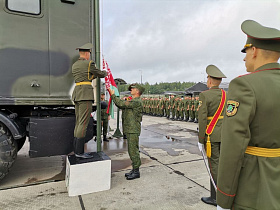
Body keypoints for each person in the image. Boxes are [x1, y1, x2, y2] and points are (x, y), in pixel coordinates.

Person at [217, 20, 280, 210]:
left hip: (257, 186)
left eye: (245, 53)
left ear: (254, 51)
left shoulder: (245, 85)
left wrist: (224, 198)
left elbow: (233, 145)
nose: (244, 59)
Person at [72, 43, 107, 159]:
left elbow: (86, 77)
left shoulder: (75, 65)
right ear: (87, 53)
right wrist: (105, 73)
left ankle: (77, 150)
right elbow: (100, 74)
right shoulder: (89, 63)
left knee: (78, 122)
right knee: (83, 123)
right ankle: (79, 152)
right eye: (89, 53)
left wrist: (93, 76)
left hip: (77, 93)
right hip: (85, 95)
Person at [198, 65, 226, 206]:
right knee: (224, 165)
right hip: (225, 135)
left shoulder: (205, 95)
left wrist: (201, 138)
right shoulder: (227, 95)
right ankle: (226, 194)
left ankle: (216, 197)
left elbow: (202, 119)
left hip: (211, 136)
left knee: (213, 166)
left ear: (209, 80)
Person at [109, 83, 144, 180]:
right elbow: (121, 106)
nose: (131, 90)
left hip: (133, 129)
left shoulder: (136, 101)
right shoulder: (133, 101)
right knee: (131, 150)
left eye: (133, 89)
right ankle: (134, 169)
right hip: (130, 129)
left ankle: (136, 171)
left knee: (133, 151)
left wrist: (112, 95)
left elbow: (121, 104)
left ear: (137, 91)